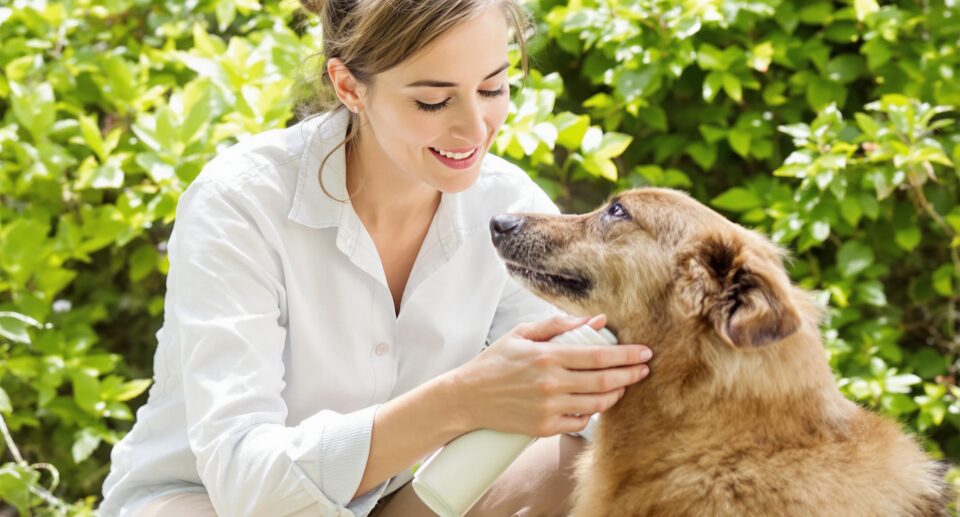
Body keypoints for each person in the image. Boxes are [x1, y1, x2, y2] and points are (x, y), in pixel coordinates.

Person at [99, 1, 653, 515]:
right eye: (433, 100)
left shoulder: (507, 206)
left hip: (388, 501)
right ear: (349, 87)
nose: (474, 128)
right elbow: (247, 482)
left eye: (493, 88)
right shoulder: (241, 202)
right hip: (208, 504)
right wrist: (462, 401)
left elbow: (589, 392)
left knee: (580, 457)